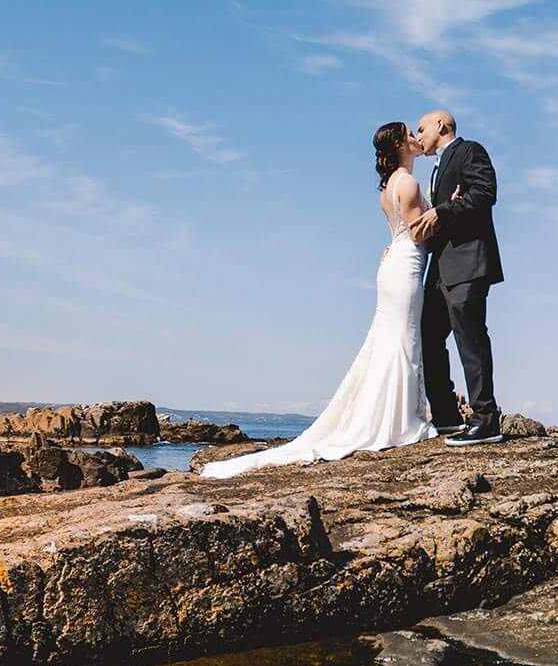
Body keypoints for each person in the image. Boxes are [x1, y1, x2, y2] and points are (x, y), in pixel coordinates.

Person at [197, 122, 437, 478]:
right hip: (405, 267)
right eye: (410, 134)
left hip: (391, 265)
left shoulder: (387, 188)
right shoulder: (409, 183)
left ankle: (392, 414)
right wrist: (449, 208)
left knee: (388, 339)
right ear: (402, 144)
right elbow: (420, 232)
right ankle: (398, 421)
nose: (418, 138)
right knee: (402, 338)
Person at [409, 109, 504, 446]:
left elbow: (485, 193)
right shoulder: (435, 171)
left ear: (441, 125)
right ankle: (447, 415)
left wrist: (444, 210)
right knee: (427, 337)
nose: (418, 136)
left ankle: (486, 420)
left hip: (468, 264)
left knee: (471, 339)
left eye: (421, 128)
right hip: (440, 270)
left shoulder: (470, 150)